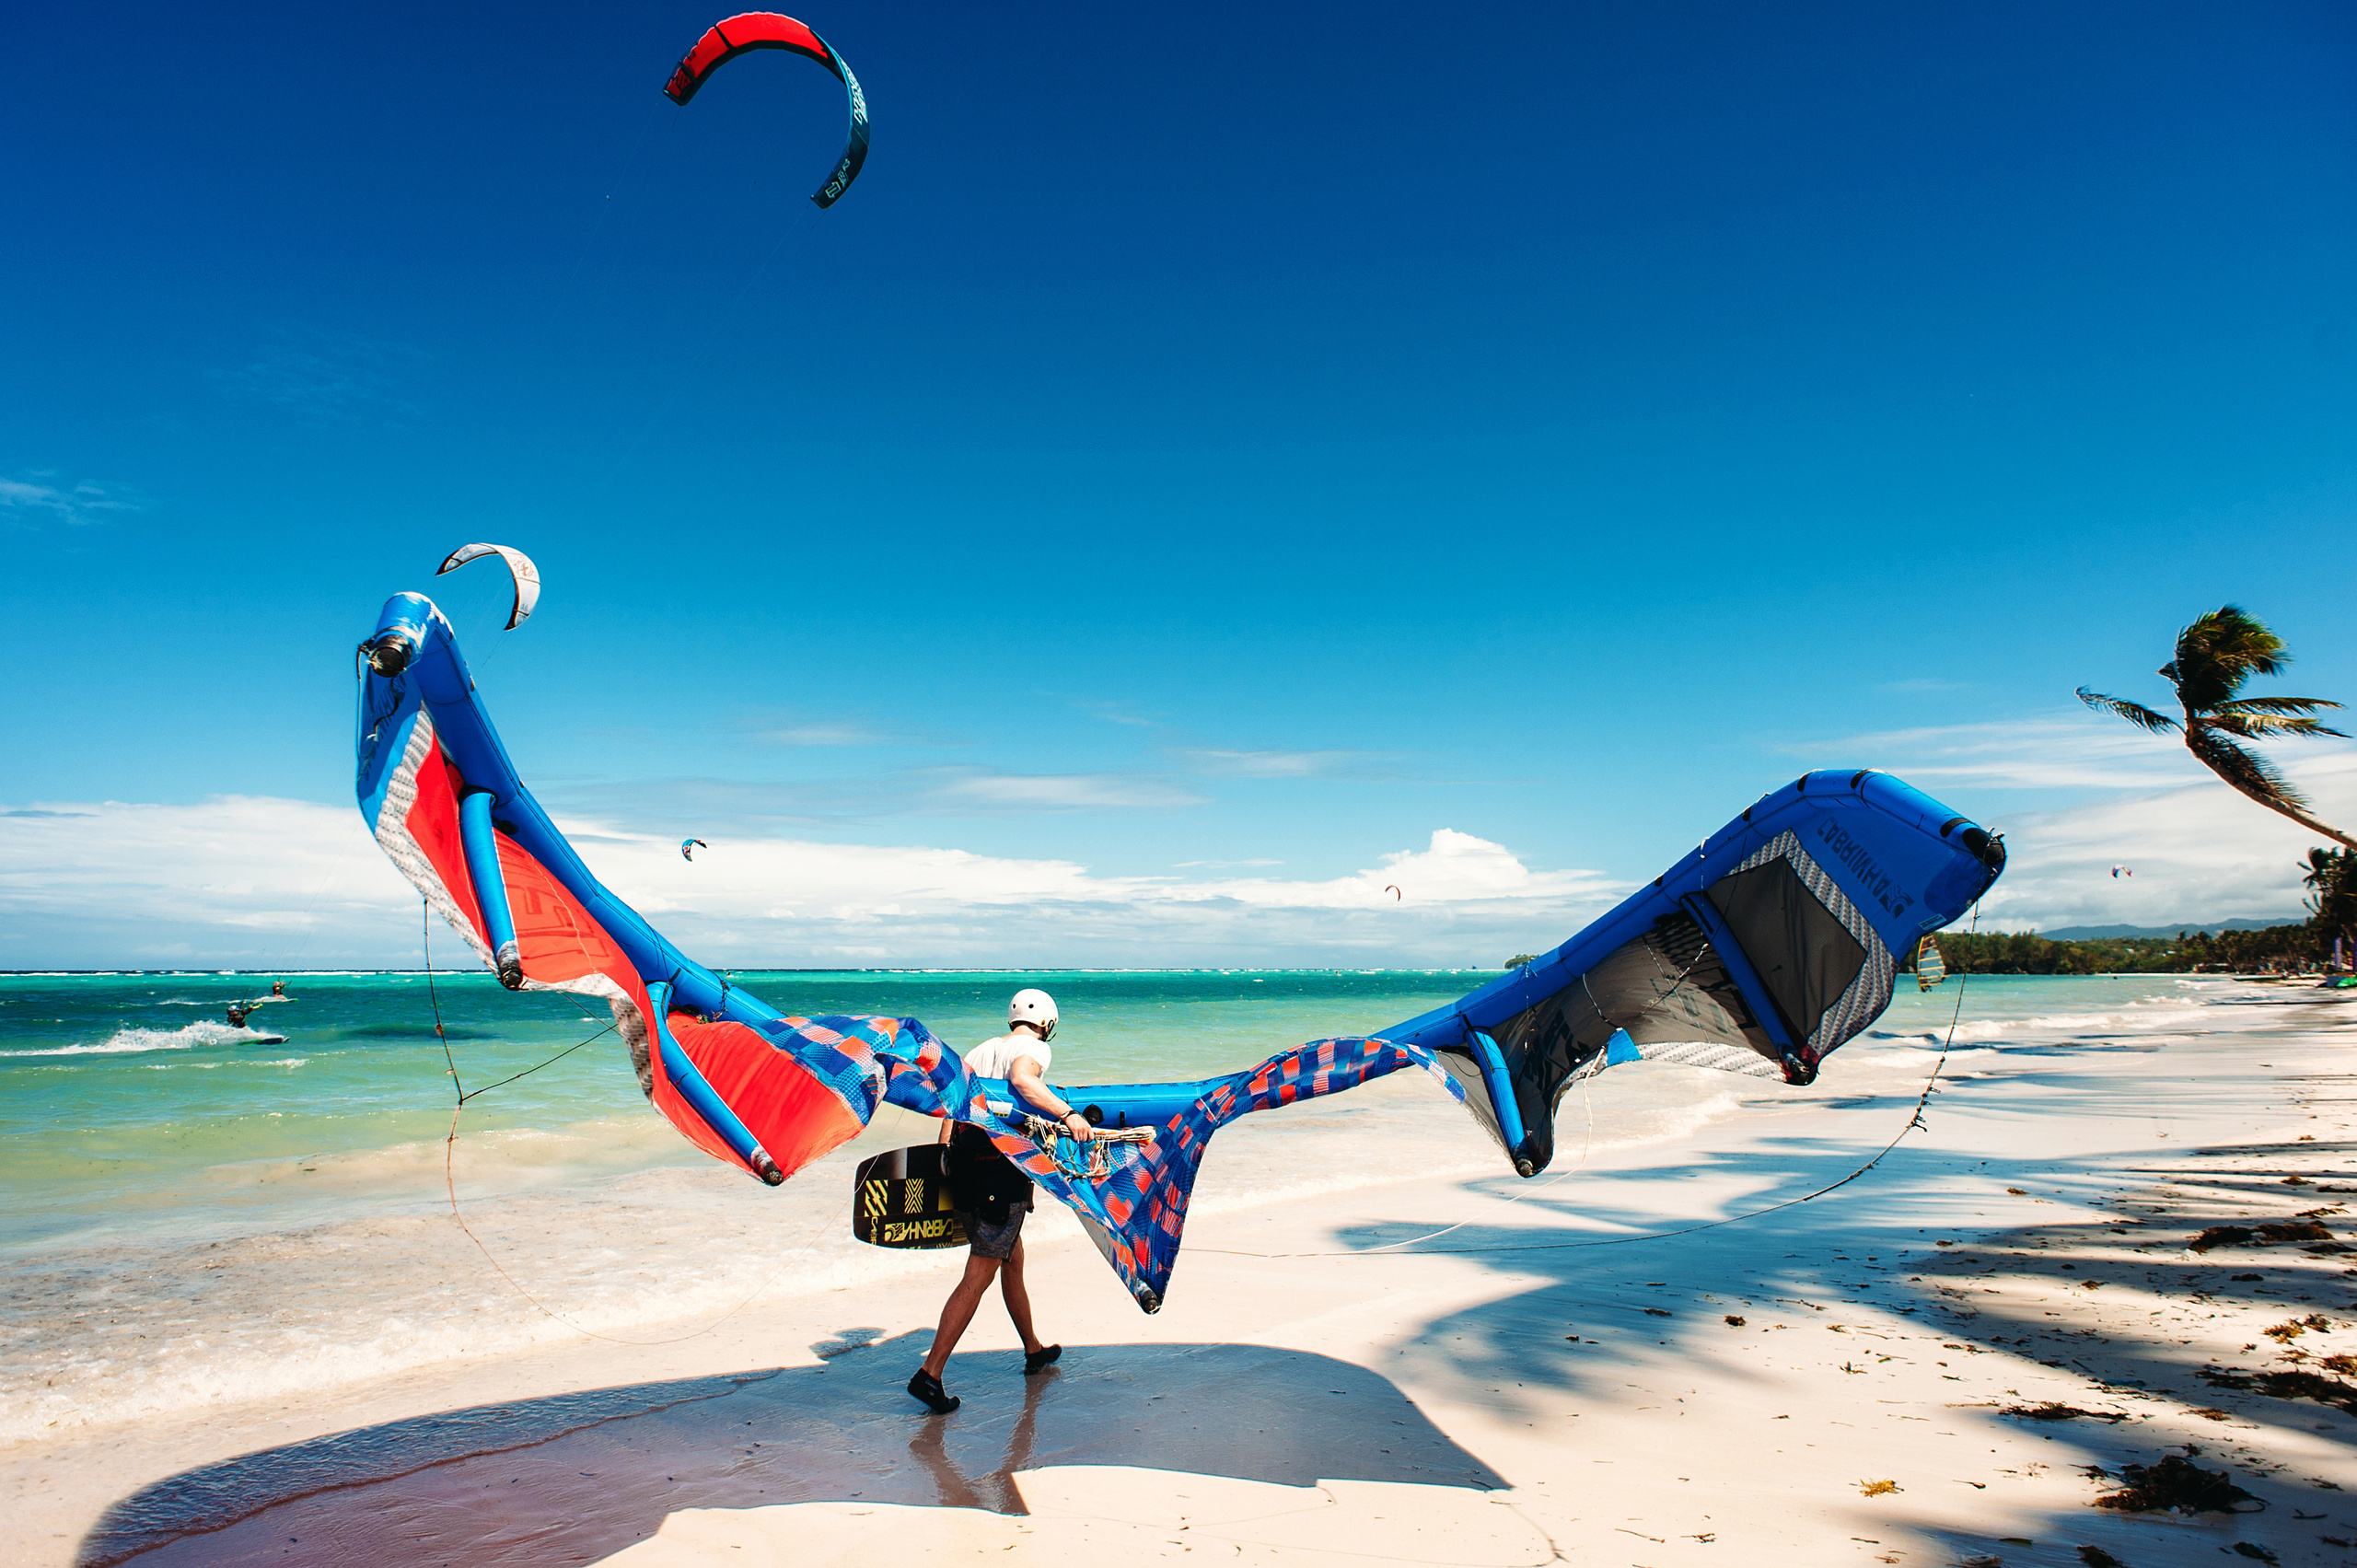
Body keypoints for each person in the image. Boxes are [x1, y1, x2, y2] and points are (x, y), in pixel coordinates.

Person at [907, 988, 1092, 1414]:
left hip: (967, 1167)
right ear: (1047, 1023)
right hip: (999, 1176)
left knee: (1012, 1260)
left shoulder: (980, 1049)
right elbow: (1024, 1082)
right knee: (978, 1275)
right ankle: (929, 1374)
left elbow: (953, 1106)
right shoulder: (1034, 1048)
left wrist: (944, 1157)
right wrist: (1068, 1114)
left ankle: (1033, 1351)